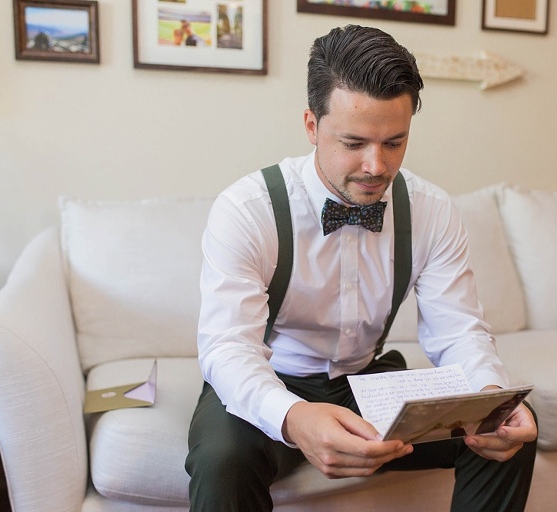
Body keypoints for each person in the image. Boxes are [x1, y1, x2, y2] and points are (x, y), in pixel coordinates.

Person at [186, 24, 538, 512]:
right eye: (353, 143)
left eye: (394, 142)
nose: (376, 166)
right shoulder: (248, 209)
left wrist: (490, 394)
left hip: (366, 381)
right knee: (223, 461)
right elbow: (227, 348)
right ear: (311, 125)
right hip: (272, 378)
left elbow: (458, 332)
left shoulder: (432, 210)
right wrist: (295, 418)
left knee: (508, 429)